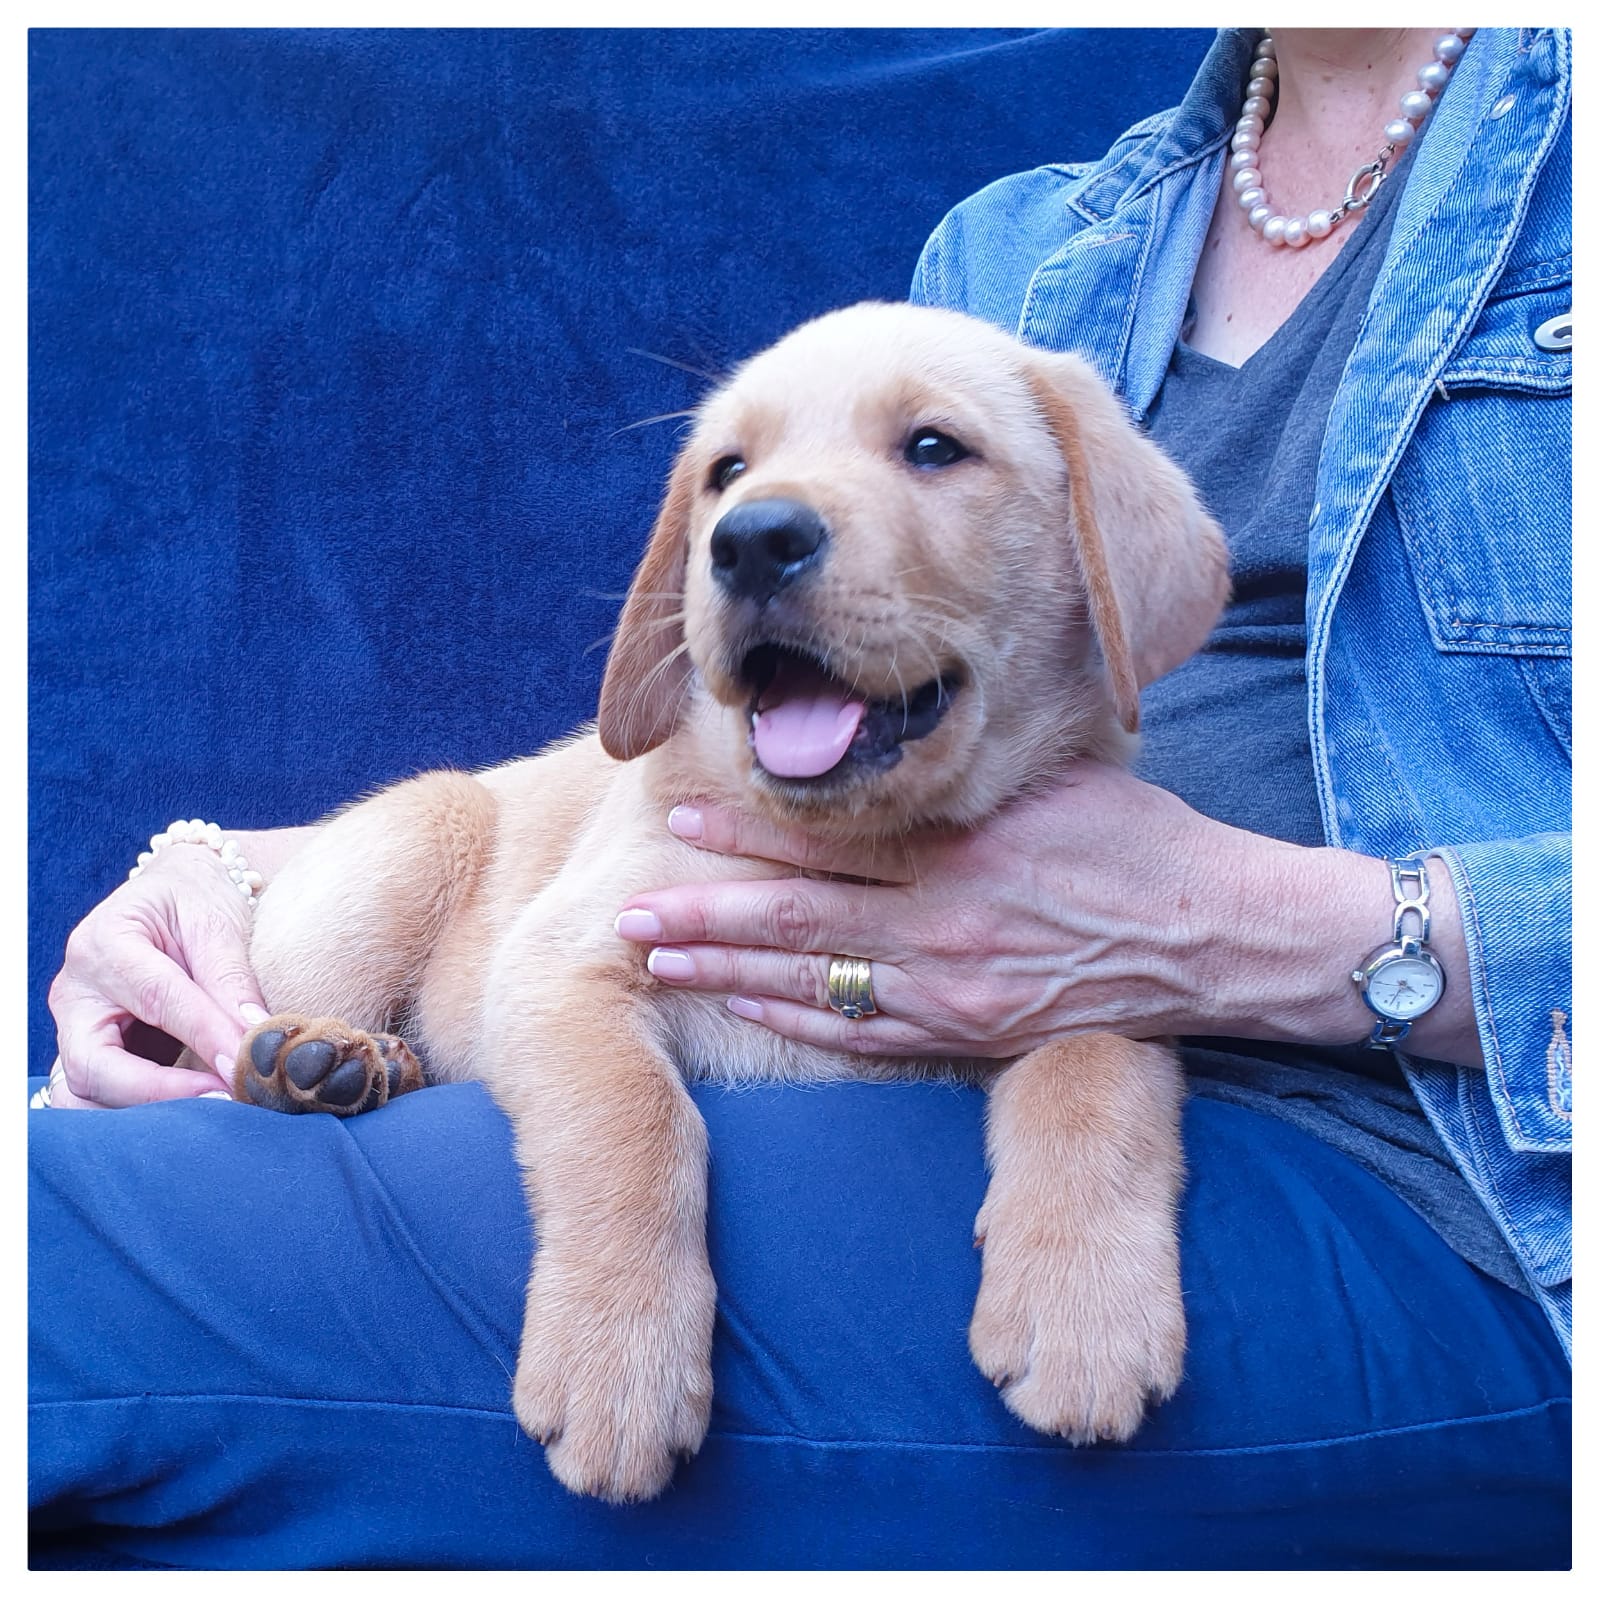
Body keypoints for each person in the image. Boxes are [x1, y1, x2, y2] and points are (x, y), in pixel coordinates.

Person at [31, 27, 1570, 1568]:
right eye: (725, 480)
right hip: (575, 1005)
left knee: (65, 1261)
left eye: (928, 450)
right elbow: (588, 854)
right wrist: (228, 873)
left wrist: (1242, 947)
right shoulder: (1033, 245)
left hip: (1456, 1196)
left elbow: (1089, 974)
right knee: (109, 1164)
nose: (772, 519)